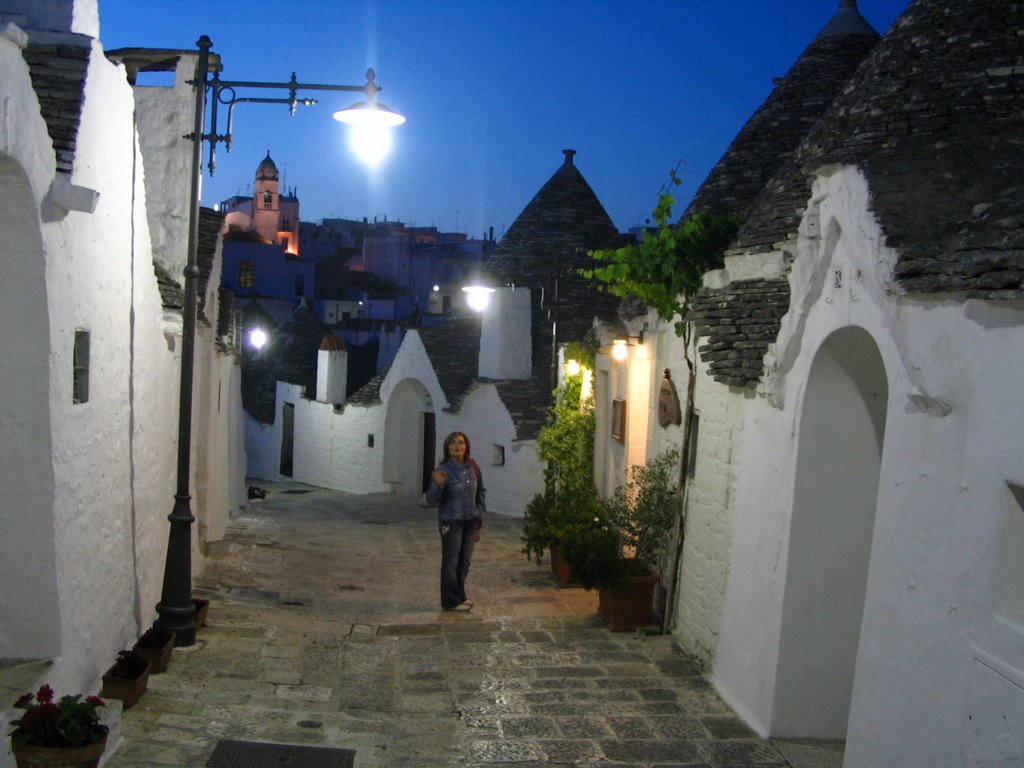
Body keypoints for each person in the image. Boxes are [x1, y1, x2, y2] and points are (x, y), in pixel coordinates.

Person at [424, 431, 485, 611]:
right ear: (447, 448)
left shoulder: (473, 467)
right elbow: (430, 500)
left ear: (466, 446)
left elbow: (480, 492)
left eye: (460, 442)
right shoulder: (442, 470)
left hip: (470, 521)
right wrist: (439, 484)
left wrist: (480, 515)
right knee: (451, 562)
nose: (457, 446)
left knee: (464, 562)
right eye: (452, 443)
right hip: (451, 522)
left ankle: (460, 595)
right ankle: (450, 601)